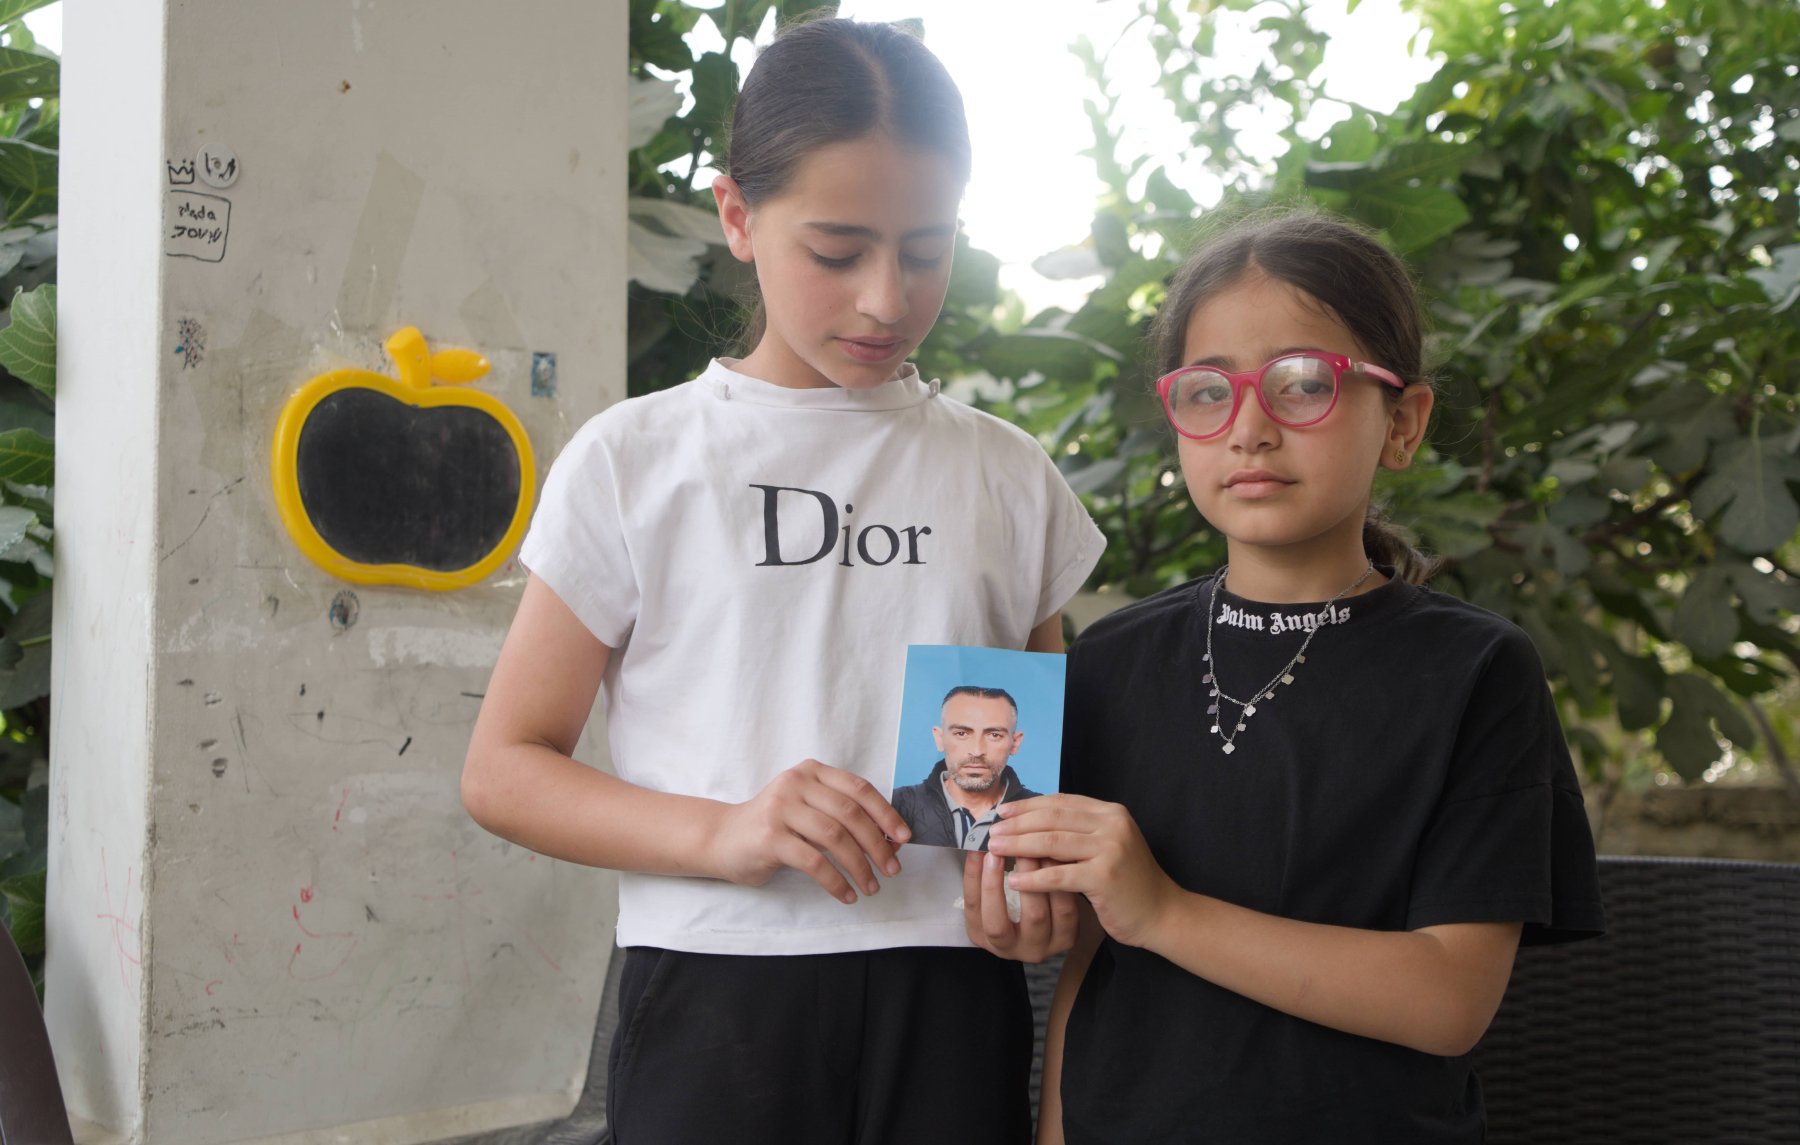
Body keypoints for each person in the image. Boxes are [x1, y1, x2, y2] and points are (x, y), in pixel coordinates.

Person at [460, 16, 1102, 1145]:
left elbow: (1038, 772)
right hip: (715, 984)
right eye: (839, 248)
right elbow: (504, 769)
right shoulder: (636, 460)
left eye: (926, 246)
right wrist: (729, 830)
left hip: (952, 991)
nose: (885, 299)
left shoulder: (1003, 472)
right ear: (738, 216)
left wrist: (1038, 890)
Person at [978, 208, 1605, 1144]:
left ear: (1402, 422)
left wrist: (1169, 910)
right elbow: (1094, 964)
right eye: (1208, 391)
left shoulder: (1475, 671)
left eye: (1304, 383)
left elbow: (1449, 999)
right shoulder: (1109, 661)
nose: (1251, 428)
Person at [893, 686, 1043, 851]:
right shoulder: (894, 804)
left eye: (994, 735)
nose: (977, 751)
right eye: (961, 733)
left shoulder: (1042, 812)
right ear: (940, 738)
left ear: (1015, 743)